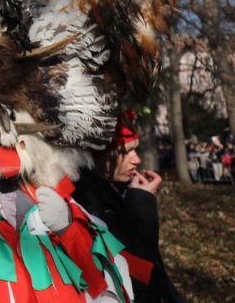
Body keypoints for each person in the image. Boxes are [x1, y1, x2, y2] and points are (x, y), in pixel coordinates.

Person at [73, 112, 183, 302]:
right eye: (125, 152)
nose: (137, 160)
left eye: (135, 150)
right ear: (100, 154)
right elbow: (136, 269)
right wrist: (141, 201)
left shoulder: (107, 188)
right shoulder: (87, 199)